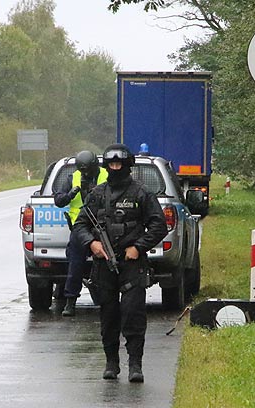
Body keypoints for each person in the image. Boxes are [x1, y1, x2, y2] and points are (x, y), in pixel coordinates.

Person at [72, 143, 167, 383]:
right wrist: (92, 244)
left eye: (119, 164)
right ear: (107, 165)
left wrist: (138, 247)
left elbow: (159, 225)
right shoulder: (97, 195)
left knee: (133, 314)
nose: (115, 167)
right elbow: (80, 225)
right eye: (112, 164)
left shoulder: (141, 193)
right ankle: (111, 363)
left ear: (127, 165)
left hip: (132, 264)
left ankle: (135, 364)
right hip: (104, 264)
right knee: (109, 315)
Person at [53, 150, 108, 316]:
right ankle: (70, 301)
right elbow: (59, 200)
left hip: (103, 224)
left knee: (108, 261)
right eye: (82, 170)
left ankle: (108, 298)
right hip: (80, 226)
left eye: (87, 170)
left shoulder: (106, 175)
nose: (84, 174)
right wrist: (71, 194)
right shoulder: (73, 177)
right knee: (75, 263)